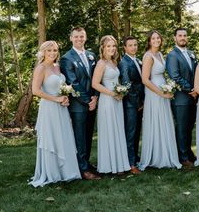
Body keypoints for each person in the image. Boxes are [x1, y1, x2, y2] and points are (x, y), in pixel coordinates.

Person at [29, 41, 81, 187]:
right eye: (49, 50)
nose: (53, 53)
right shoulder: (41, 68)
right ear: (43, 52)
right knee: (52, 138)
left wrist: (65, 98)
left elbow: (62, 87)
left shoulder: (57, 66)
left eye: (55, 50)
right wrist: (56, 99)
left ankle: (66, 171)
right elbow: (36, 91)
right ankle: (52, 173)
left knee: (63, 137)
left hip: (61, 109)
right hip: (49, 109)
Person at [60, 27, 101, 180]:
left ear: (85, 37)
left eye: (82, 36)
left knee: (89, 134)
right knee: (80, 137)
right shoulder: (66, 58)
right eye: (76, 37)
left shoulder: (92, 55)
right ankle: (82, 169)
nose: (79, 39)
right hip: (78, 105)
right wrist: (87, 100)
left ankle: (86, 162)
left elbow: (97, 78)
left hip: (92, 102)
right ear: (71, 38)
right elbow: (73, 82)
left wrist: (95, 97)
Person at [139, 30, 182, 170]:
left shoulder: (159, 54)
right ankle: (157, 156)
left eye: (158, 37)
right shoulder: (148, 56)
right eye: (153, 38)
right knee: (156, 121)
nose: (156, 40)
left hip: (163, 89)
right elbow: (145, 80)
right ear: (149, 41)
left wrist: (168, 88)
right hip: (154, 92)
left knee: (164, 121)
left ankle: (166, 153)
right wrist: (161, 93)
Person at [92, 35, 130, 174]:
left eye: (113, 46)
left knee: (117, 129)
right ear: (103, 47)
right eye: (108, 46)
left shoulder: (114, 62)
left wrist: (121, 91)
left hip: (117, 101)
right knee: (109, 130)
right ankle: (110, 165)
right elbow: (95, 84)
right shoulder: (101, 63)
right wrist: (112, 93)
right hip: (107, 101)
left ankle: (119, 163)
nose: (112, 49)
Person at [166, 28, 198, 167]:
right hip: (181, 99)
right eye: (180, 36)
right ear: (175, 38)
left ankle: (189, 153)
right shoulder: (172, 55)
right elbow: (175, 76)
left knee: (189, 127)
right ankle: (183, 157)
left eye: (185, 35)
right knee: (182, 128)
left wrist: (197, 90)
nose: (183, 38)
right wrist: (192, 89)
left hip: (193, 98)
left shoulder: (191, 54)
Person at [118, 36, 145, 174]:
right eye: (130, 45)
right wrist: (137, 103)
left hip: (140, 103)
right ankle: (130, 163)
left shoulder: (138, 61)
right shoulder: (124, 63)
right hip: (130, 104)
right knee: (131, 133)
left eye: (135, 44)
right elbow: (127, 85)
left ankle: (135, 157)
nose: (134, 47)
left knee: (136, 132)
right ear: (125, 48)